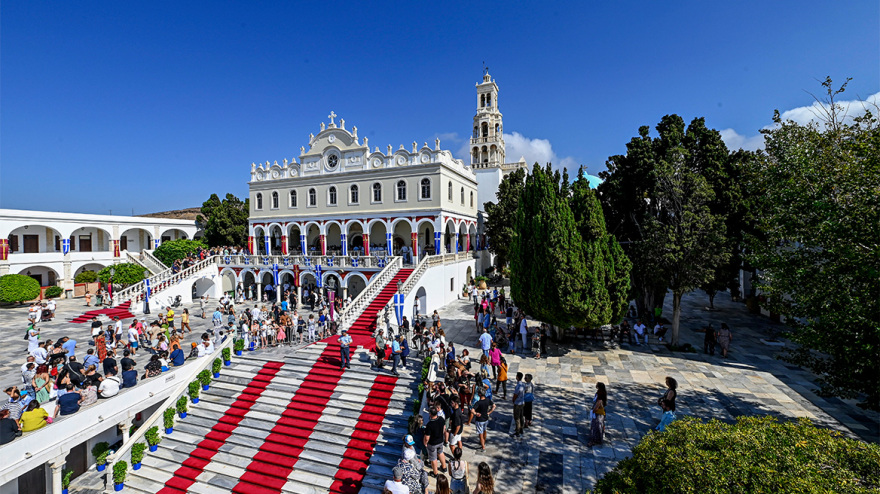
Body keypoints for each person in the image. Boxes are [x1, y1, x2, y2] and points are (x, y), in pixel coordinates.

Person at [423, 406, 447, 477]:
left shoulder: (429, 425)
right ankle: (444, 467)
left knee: (433, 458)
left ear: (430, 414)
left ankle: (435, 473)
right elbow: (444, 428)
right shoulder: (441, 419)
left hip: (432, 443)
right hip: (440, 441)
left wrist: (425, 443)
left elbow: (427, 437)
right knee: (441, 453)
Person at [588, 382, 607, 447]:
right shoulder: (601, 393)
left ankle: (594, 440)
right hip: (601, 413)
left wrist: (593, 411)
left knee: (595, 427)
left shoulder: (600, 396)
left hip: (598, 414)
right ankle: (598, 439)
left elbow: (598, 405)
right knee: (598, 427)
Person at [511, 372, 525, 437]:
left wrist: (513, 400)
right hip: (522, 402)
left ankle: (517, 431)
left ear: (518, 377)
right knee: (521, 416)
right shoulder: (523, 384)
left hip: (517, 403)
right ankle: (521, 428)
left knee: (517, 418)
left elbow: (515, 395)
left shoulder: (518, 386)